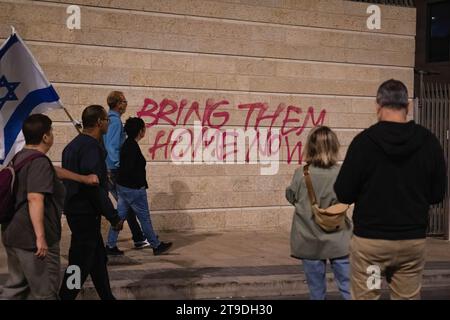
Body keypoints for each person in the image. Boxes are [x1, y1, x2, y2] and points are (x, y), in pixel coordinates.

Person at [334, 79, 447, 300]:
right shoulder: (428, 142)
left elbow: (344, 192)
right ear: (409, 106)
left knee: (368, 294)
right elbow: (436, 194)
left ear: (378, 105)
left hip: (372, 248)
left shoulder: (364, 143)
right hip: (410, 245)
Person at [1, 114, 98, 300]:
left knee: (16, 288)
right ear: (45, 137)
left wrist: (83, 179)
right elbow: (35, 198)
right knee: (46, 293)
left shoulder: (22, 157)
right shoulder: (39, 162)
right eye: (51, 131)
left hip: (13, 234)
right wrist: (40, 237)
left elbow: (54, 171)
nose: (53, 134)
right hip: (32, 240)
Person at [59, 105, 124, 300]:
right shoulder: (91, 148)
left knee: (97, 259)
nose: (108, 123)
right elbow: (92, 186)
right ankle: (65, 296)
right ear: (99, 122)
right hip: (85, 213)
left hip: (75, 211)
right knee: (79, 262)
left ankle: (107, 296)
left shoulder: (72, 146)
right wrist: (113, 216)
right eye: (106, 120)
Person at [286, 126, 352, 300]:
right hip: (339, 238)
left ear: (311, 146)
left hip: (309, 239)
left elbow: (291, 196)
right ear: (334, 146)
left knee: (316, 292)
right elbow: (349, 198)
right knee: (348, 287)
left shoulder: (301, 174)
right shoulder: (343, 173)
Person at [106, 117, 172, 256]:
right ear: (140, 131)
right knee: (144, 218)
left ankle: (110, 245)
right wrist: (139, 185)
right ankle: (156, 245)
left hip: (124, 188)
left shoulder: (127, 144)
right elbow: (130, 169)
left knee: (119, 217)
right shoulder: (132, 147)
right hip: (134, 190)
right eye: (144, 128)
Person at [103, 91, 148, 254]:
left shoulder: (110, 120)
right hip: (113, 170)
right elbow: (111, 146)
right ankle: (116, 242)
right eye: (124, 101)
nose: (126, 104)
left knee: (126, 206)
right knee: (125, 207)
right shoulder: (114, 122)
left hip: (110, 169)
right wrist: (118, 165)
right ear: (118, 104)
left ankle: (138, 237)